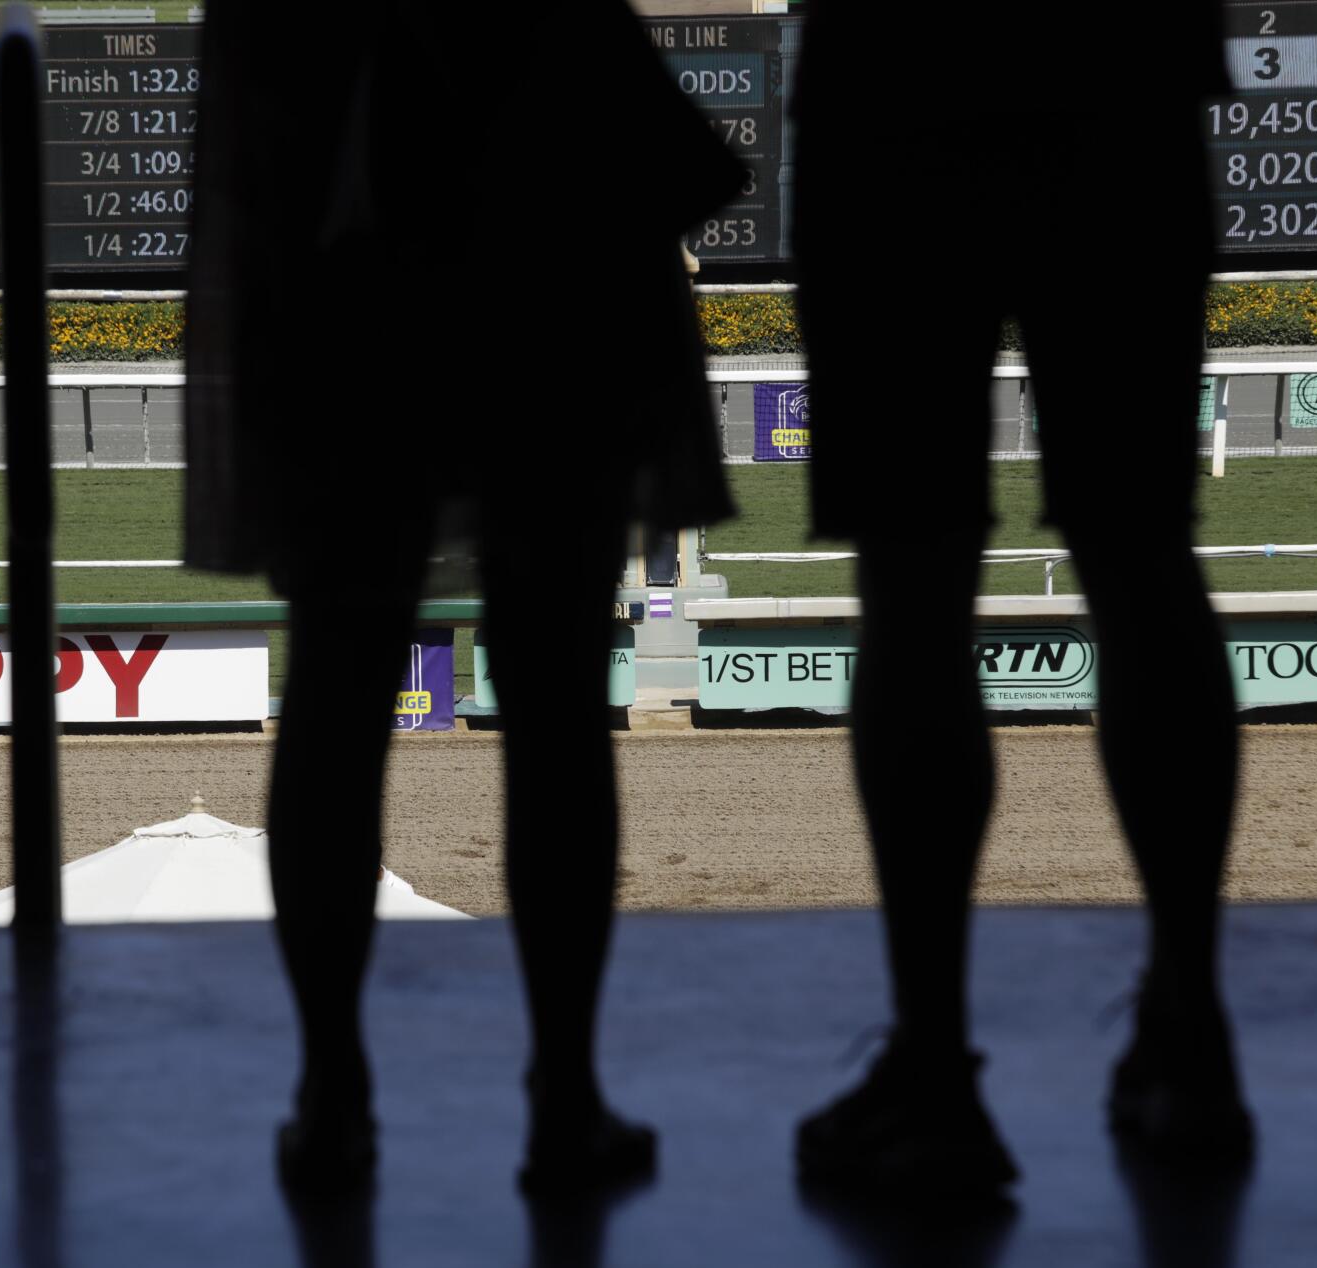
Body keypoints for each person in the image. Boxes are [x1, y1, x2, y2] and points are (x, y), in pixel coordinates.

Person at [185, 2, 744, 1194]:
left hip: (345, 302)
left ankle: (331, 1096)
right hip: (553, 292)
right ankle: (564, 1096)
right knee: (551, 710)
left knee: (337, 689)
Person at [788, 2, 1251, 1195]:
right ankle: (1189, 1033)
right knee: (1143, 552)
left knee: (912, 574)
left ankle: (934, 1069)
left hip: (892, 93)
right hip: (1121, 81)